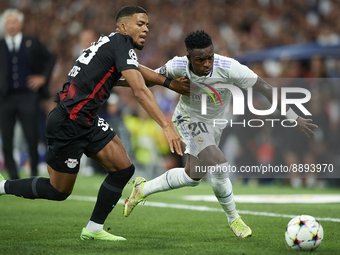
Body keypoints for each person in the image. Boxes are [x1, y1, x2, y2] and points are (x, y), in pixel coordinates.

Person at [0, 5, 190, 241]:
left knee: (123, 169)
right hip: (69, 122)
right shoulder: (120, 43)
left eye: (148, 25)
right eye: (140, 24)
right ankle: (4, 186)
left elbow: (136, 72)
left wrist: (169, 84)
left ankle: (93, 229)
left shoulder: (111, 43)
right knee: (58, 191)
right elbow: (139, 89)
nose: (146, 29)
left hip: (86, 120)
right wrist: (166, 125)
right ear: (123, 26)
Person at [123, 30, 318, 238]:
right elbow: (147, 79)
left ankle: (142, 189)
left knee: (193, 176)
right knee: (218, 162)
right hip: (188, 119)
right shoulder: (177, 66)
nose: (207, 63)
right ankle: (234, 219)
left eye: (210, 57)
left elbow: (265, 88)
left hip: (214, 125)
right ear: (189, 58)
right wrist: (113, 82)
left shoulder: (229, 67)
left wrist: (292, 117)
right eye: (201, 60)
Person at [0, 9, 56, 179]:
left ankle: (33, 173)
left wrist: (43, 78)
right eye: (8, 22)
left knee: (31, 135)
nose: (11, 25)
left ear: (21, 24)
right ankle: (13, 176)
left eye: (14, 22)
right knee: (7, 138)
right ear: (4, 25)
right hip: (5, 98)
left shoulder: (32, 42)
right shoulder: (0, 45)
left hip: (28, 96)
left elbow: (51, 58)